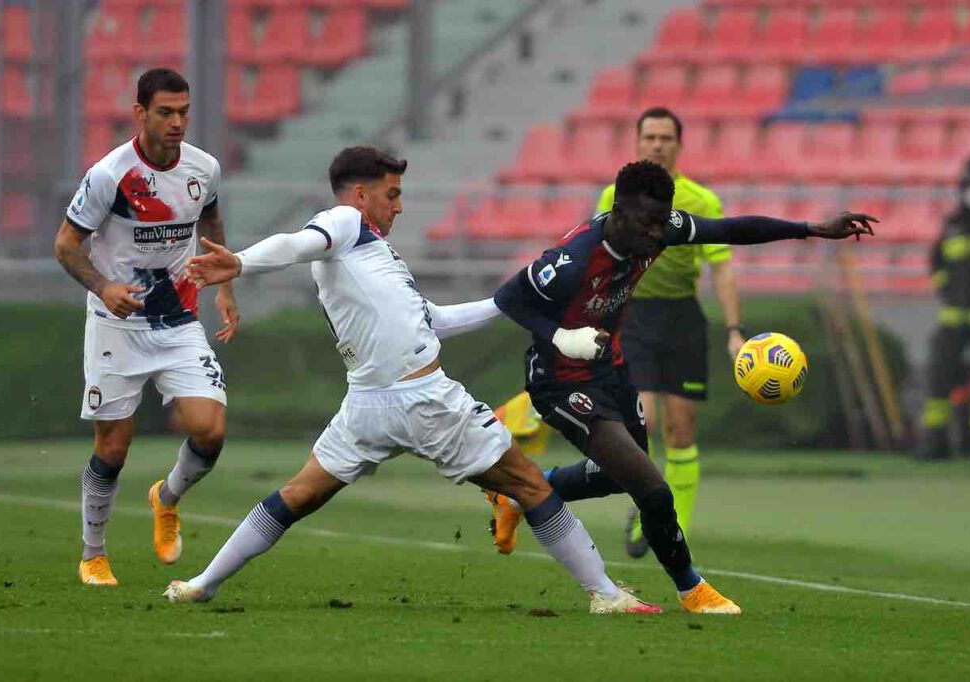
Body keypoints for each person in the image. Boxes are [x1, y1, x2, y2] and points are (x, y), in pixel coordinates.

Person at [162, 147, 661, 615]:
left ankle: (202, 583)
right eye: (392, 194)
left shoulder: (376, 256)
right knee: (530, 484)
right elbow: (299, 243)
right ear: (361, 195)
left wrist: (508, 301)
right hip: (424, 400)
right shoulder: (345, 223)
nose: (399, 207)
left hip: (367, 406)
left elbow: (434, 319)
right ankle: (605, 593)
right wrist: (242, 263)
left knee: (299, 494)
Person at [493, 160, 877, 614]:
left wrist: (811, 228)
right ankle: (691, 589)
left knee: (623, 477)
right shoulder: (574, 259)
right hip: (558, 381)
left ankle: (521, 488)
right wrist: (561, 338)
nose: (658, 234)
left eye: (662, 222)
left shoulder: (659, 226)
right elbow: (508, 299)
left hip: (610, 370)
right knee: (653, 489)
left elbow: (730, 229)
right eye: (648, 223)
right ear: (618, 212)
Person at [54, 68, 240, 587]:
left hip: (179, 318)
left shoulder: (204, 168)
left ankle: (167, 497)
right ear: (140, 113)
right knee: (113, 446)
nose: (177, 121)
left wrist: (224, 287)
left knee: (211, 429)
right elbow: (66, 245)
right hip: (117, 321)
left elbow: (210, 221)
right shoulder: (110, 175)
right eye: (166, 112)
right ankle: (93, 554)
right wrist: (102, 287)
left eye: (184, 111)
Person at [599, 107, 742, 554]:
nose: (657, 144)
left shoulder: (701, 200)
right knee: (644, 422)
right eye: (650, 137)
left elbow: (722, 269)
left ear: (679, 144)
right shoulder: (613, 198)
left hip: (682, 318)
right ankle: (647, 505)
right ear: (637, 143)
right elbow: (599, 262)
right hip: (633, 316)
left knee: (681, 430)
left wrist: (735, 330)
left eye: (665, 137)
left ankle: (674, 525)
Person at [917, 155, 970, 461]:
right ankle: (934, 442)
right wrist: (944, 286)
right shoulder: (954, 225)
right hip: (953, 318)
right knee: (939, 376)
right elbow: (937, 260)